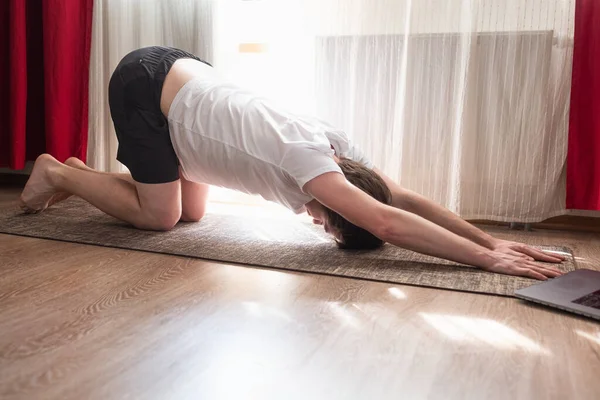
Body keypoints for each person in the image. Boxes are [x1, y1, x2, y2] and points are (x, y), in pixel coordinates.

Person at [20, 46, 565, 280]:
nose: (315, 222)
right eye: (328, 224)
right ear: (333, 205)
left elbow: (399, 198)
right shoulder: (314, 164)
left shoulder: (345, 157)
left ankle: (86, 177)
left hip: (184, 78)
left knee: (189, 216)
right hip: (148, 85)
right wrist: (484, 261)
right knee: (159, 218)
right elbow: (387, 220)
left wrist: (493, 239)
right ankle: (58, 172)